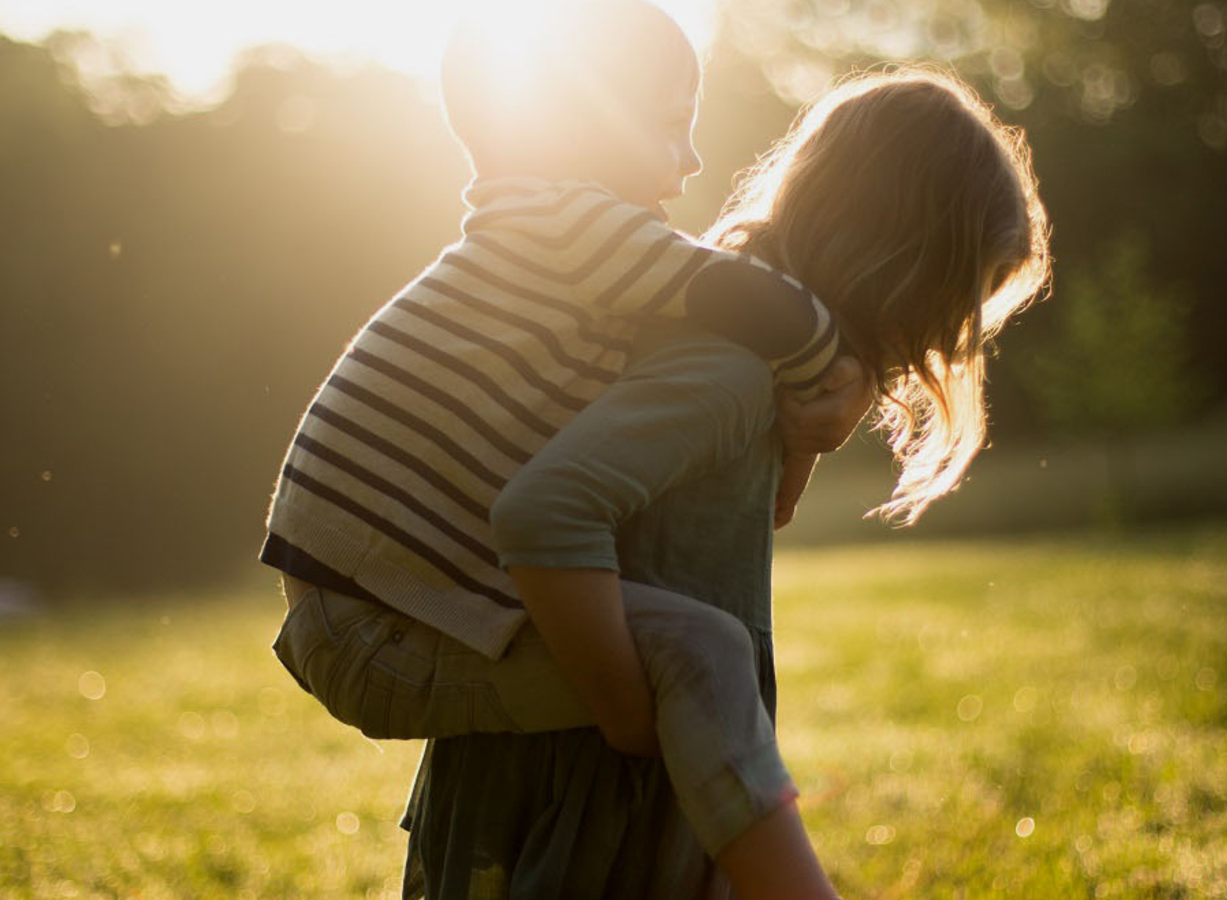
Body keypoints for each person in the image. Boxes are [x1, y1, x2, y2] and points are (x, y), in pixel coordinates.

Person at [261, 2, 875, 897]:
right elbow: (754, 301)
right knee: (700, 650)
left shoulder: (540, 241)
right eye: (672, 128)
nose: (695, 161)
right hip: (374, 625)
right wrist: (832, 384)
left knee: (686, 649)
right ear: (583, 126)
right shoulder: (569, 227)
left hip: (362, 608)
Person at [396, 65, 1051, 898]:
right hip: (586, 777)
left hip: (628, 761)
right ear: (903, 264)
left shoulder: (752, 362)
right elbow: (546, 510)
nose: (945, 337)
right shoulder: (729, 373)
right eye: (958, 298)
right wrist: (633, 715)